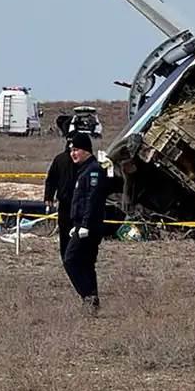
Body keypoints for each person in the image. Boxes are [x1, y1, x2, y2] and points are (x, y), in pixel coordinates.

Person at [63, 133, 109, 315]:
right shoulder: (83, 170)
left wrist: (85, 225)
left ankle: (88, 297)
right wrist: (77, 223)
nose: (73, 154)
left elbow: (92, 200)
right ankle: (92, 302)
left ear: (86, 150)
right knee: (86, 263)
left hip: (89, 227)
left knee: (71, 260)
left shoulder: (93, 170)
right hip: (82, 224)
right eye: (71, 151)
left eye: (76, 150)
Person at [44, 136, 78, 260]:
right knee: (64, 231)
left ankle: (74, 256)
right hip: (64, 202)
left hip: (79, 203)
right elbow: (51, 180)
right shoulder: (60, 159)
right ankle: (66, 256)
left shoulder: (83, 162)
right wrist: (48, 196)